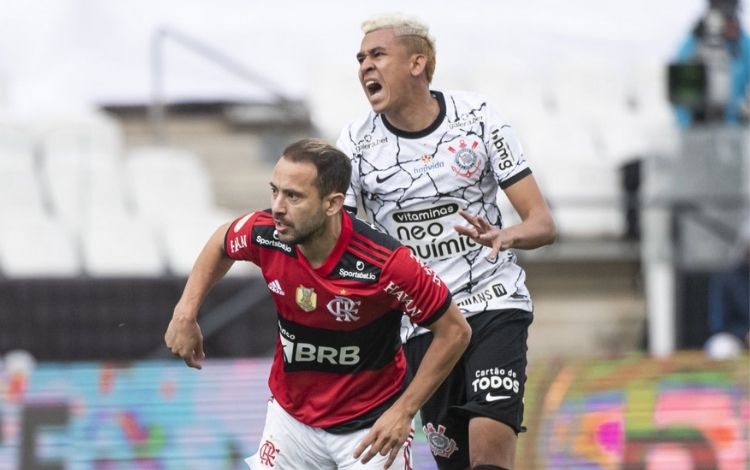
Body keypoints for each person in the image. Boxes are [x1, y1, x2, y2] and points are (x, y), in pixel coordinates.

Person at [164, 138, 471, 470]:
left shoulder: (386, 264)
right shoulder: (266, 233)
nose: (278, 207)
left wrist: (404, 411)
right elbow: (222, 242)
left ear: (332, 203)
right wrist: (185, 312)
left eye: (293, 196)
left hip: (370, 429)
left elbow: (455, 332)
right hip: (292, 423)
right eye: (275, 191)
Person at [336, 13, 556, 470]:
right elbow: (345, 244)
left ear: (418, 63)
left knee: (489, 447)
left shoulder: (477, 118)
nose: (365, 67)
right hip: (424, 323)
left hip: (493, 299)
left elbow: (542, 223)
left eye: (377, 55)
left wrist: (508, 233)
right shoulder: (356, 144)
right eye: (360, 59)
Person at [671, 0, 750, 127]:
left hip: (735, 130)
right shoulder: (692, 46)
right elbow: (679, 95)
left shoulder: (744, 46)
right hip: (697, 129)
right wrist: (689, 125)